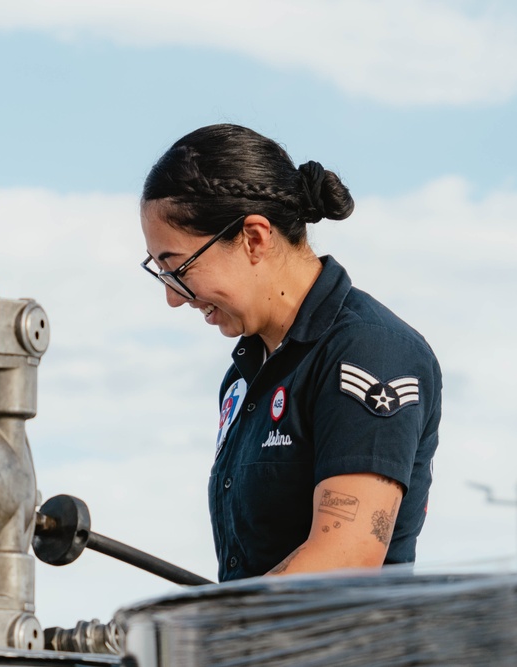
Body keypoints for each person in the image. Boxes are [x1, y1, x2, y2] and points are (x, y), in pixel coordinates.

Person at [139, 124, 442, 582]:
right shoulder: (243, 376)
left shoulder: (370, 352)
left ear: (254, 238)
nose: (173, 298)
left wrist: (222, 620)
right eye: (160, 272)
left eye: (178, 268)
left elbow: (346, 556)